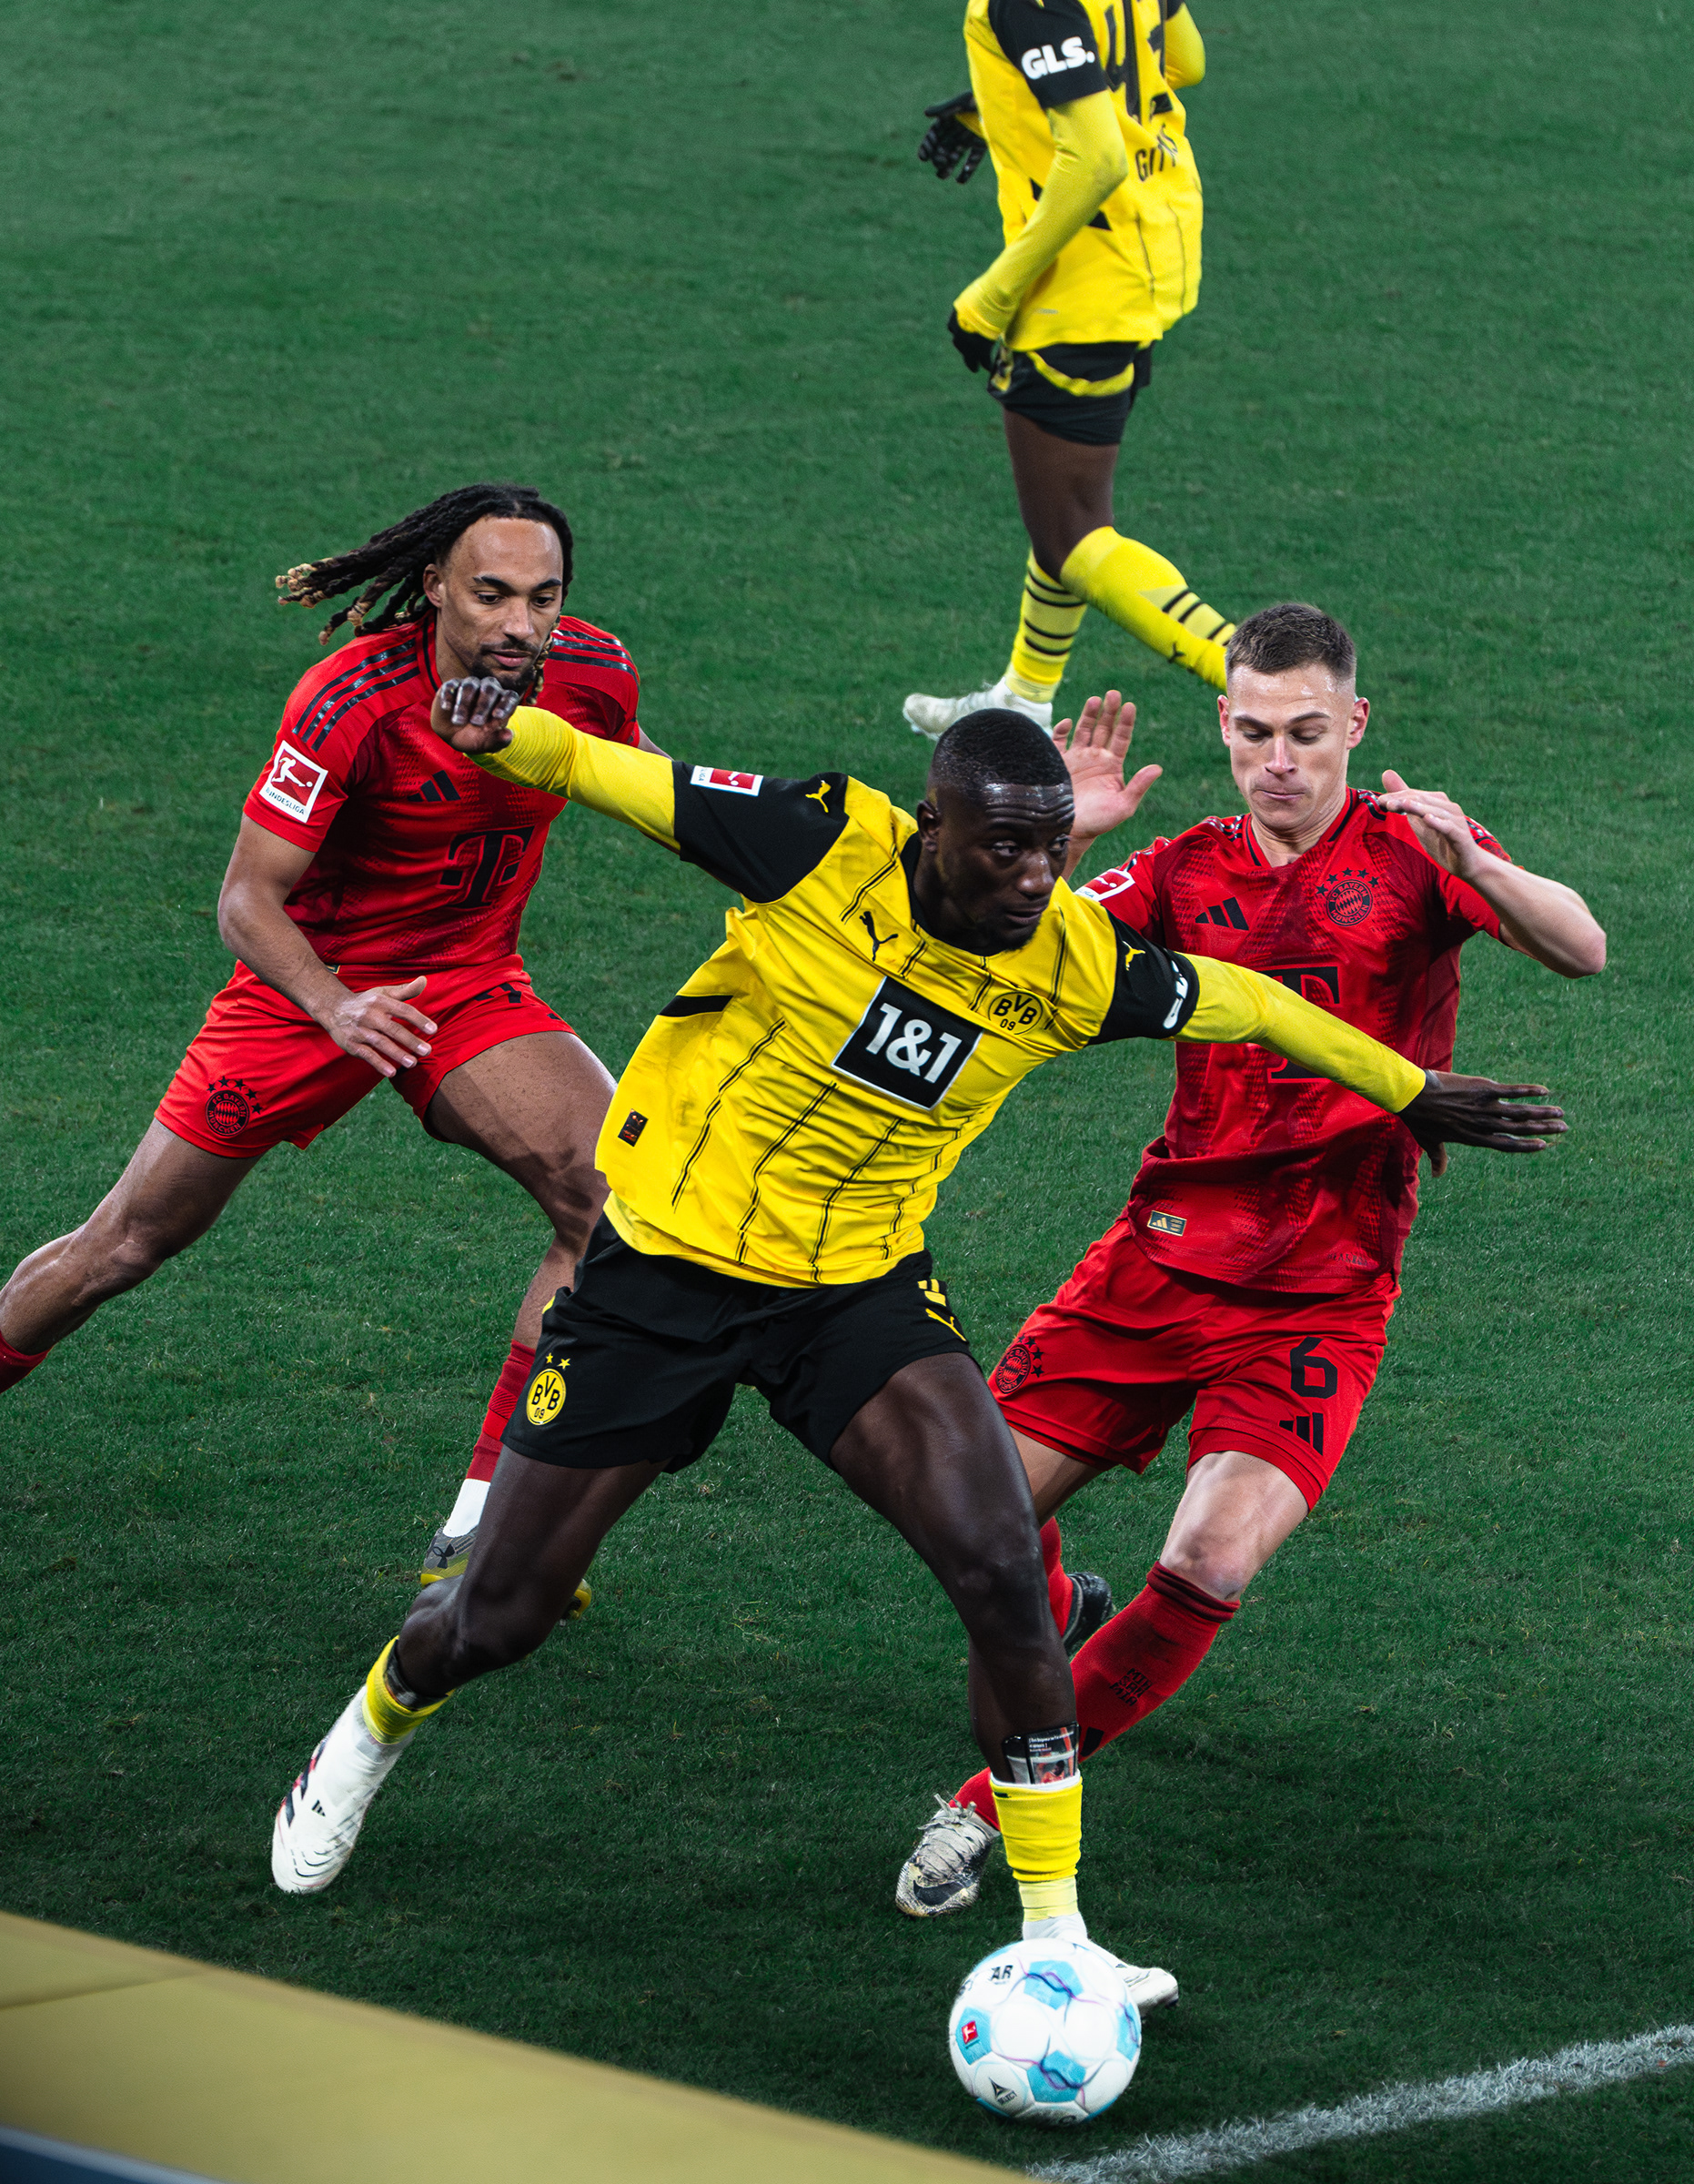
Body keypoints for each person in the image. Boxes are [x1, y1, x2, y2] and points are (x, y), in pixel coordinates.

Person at [270, 674, 1564, 2014]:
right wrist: (511, 732)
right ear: (930, 828)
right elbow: (622, 780)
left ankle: (1057, 1932)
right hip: (662, 1273)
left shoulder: (1072, 960)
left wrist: (1412, 1092)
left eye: (1053, 850)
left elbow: (1250, 1003)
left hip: (854, 1291)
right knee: (502, 1615)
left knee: (1002, 1559)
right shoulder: (824, 843)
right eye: (1002, 846)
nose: (1031, 877)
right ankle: (369, 1728)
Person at [894, 602, 1606, 1919]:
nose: (1280, 760)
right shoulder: (1182, 870)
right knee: (964, 1517)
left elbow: (1582, 946)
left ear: (1355, 727)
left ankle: (991, 1804)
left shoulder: (1415, 851)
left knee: (1210, 1563)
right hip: (1158, 1264)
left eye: (1308, 734)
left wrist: (1483, 864)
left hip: (1322, 1289)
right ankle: (1058, 1615)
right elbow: (983, 949)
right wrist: (1066, 847)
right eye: (1255, 733)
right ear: (1224, 726)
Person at [0, 482, 648, 1614]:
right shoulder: (350, 700)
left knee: (614, 1200)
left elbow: (645, 783)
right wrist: (337, 1005)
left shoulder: (592, 675)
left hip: (471, 983)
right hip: (307, 989)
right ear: (436, 588)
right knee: (128, 1244)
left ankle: (481, 1529)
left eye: (542, 597)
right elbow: (248, 899)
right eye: (490, 594)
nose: (517, 624)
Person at [903, 0, 1235, 741]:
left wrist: (987, 301)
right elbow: (1184, 62)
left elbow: (1095, 157)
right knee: (1063, 503)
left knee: (1073, 535)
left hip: (1079, 294)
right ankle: (1023, 696)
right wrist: (1009, 106)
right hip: (1155, 251)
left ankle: (1263, 674)